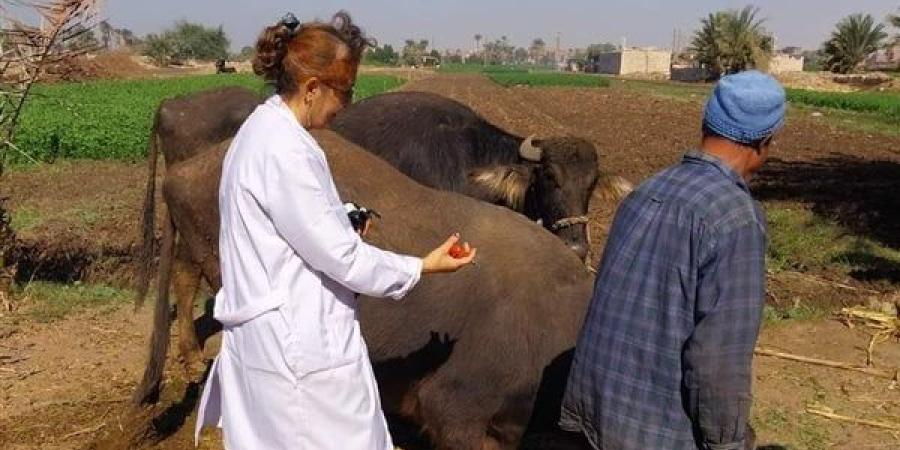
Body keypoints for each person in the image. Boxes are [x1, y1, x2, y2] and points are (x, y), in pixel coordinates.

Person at [194, 12, 476, 450]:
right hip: (299, 353)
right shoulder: (286, 151)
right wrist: (422, 266)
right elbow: (344, 259)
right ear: (311, 89)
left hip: (271, 343)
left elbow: (294, 225)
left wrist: (338, 218)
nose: (347, 104)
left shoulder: (261, 129)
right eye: (344, 91)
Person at [559, 70, 785, 450]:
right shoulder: (736, 218)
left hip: (595, 410)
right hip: (654, 432)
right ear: (764, 143)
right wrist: (727, 442)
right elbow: (718, 359)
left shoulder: (648, 189)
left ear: (706, 123)